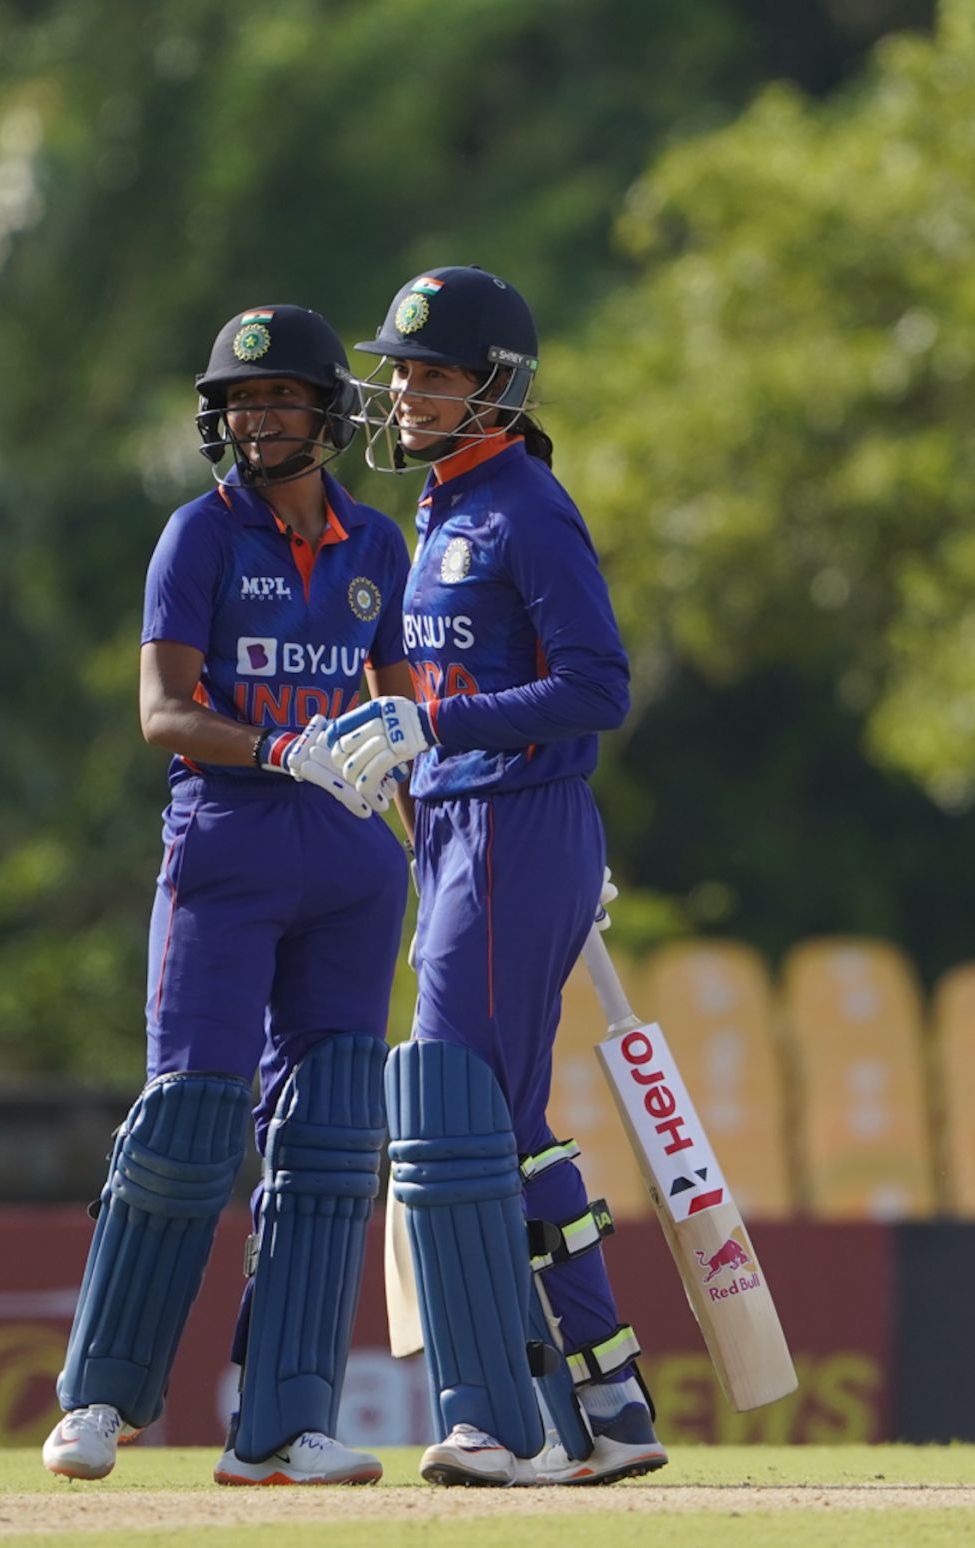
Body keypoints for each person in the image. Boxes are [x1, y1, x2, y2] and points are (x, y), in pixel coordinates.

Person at [42, 303, 415, 1487]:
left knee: (331, 1133)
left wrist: (458, 830)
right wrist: (278, 749)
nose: (254, 419)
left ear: (328, 412)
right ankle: (101, 1400)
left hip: (353, 864)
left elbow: (404, 719)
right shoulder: (197, 536)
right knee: (191, 1119)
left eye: (278, 399)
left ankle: (285, 1423)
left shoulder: (377, 548)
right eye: (239, 402)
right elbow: (164, 711)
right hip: (229, 847)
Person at [328, 265, 668, 1487]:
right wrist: (392, 762)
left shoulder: (527, 504)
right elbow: (450, 696)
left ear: (496, 388)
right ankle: (607, 1396)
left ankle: (502, 1421)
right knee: (501, 1123)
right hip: (466, 834)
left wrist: (442, 731)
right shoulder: (438, 512)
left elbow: (597, 687)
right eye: (403, 370)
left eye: (433, 373)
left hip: (520, 827)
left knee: (455, 1115)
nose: (406, 392)